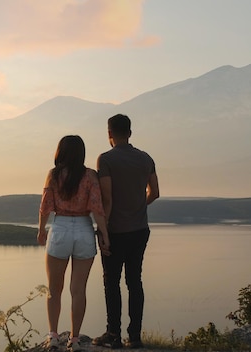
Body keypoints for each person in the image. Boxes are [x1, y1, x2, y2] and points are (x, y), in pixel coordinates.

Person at [37, 135, 111, 352]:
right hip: (84, 230)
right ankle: (75, 339)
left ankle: (53, 336)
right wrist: (104, 234)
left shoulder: (53, 175)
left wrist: (41, 230)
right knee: (78, 290)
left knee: (54, 290)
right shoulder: (90, 176)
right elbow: (97, 209)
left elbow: (45, 207)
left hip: (59, 229)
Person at [92, 114, 160, 349]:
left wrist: (104, 231)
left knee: (111, 282)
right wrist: (138, 206)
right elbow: (155, 192)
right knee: (135, 281)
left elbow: (107, 198)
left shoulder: (106, 159)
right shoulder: (146, 158)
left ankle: (113, 335)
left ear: (109, 134)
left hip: (116, 230)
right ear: (130, 133)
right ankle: (135, 336)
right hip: (140, 230)